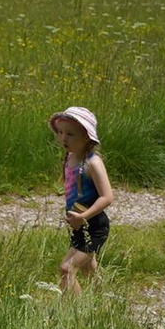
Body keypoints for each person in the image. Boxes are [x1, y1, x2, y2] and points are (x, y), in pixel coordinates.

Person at [53, 106, 114, 293]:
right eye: (61, 132)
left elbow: (107, 196)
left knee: (67, 268)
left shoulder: (93, 163)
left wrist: (84, 216)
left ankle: (78, 312)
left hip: (93, 224)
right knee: (89, 267)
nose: (64, 138)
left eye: (70, 134)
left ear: (87, 136)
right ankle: (103, 305)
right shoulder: (70, 157)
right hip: (77, 222)